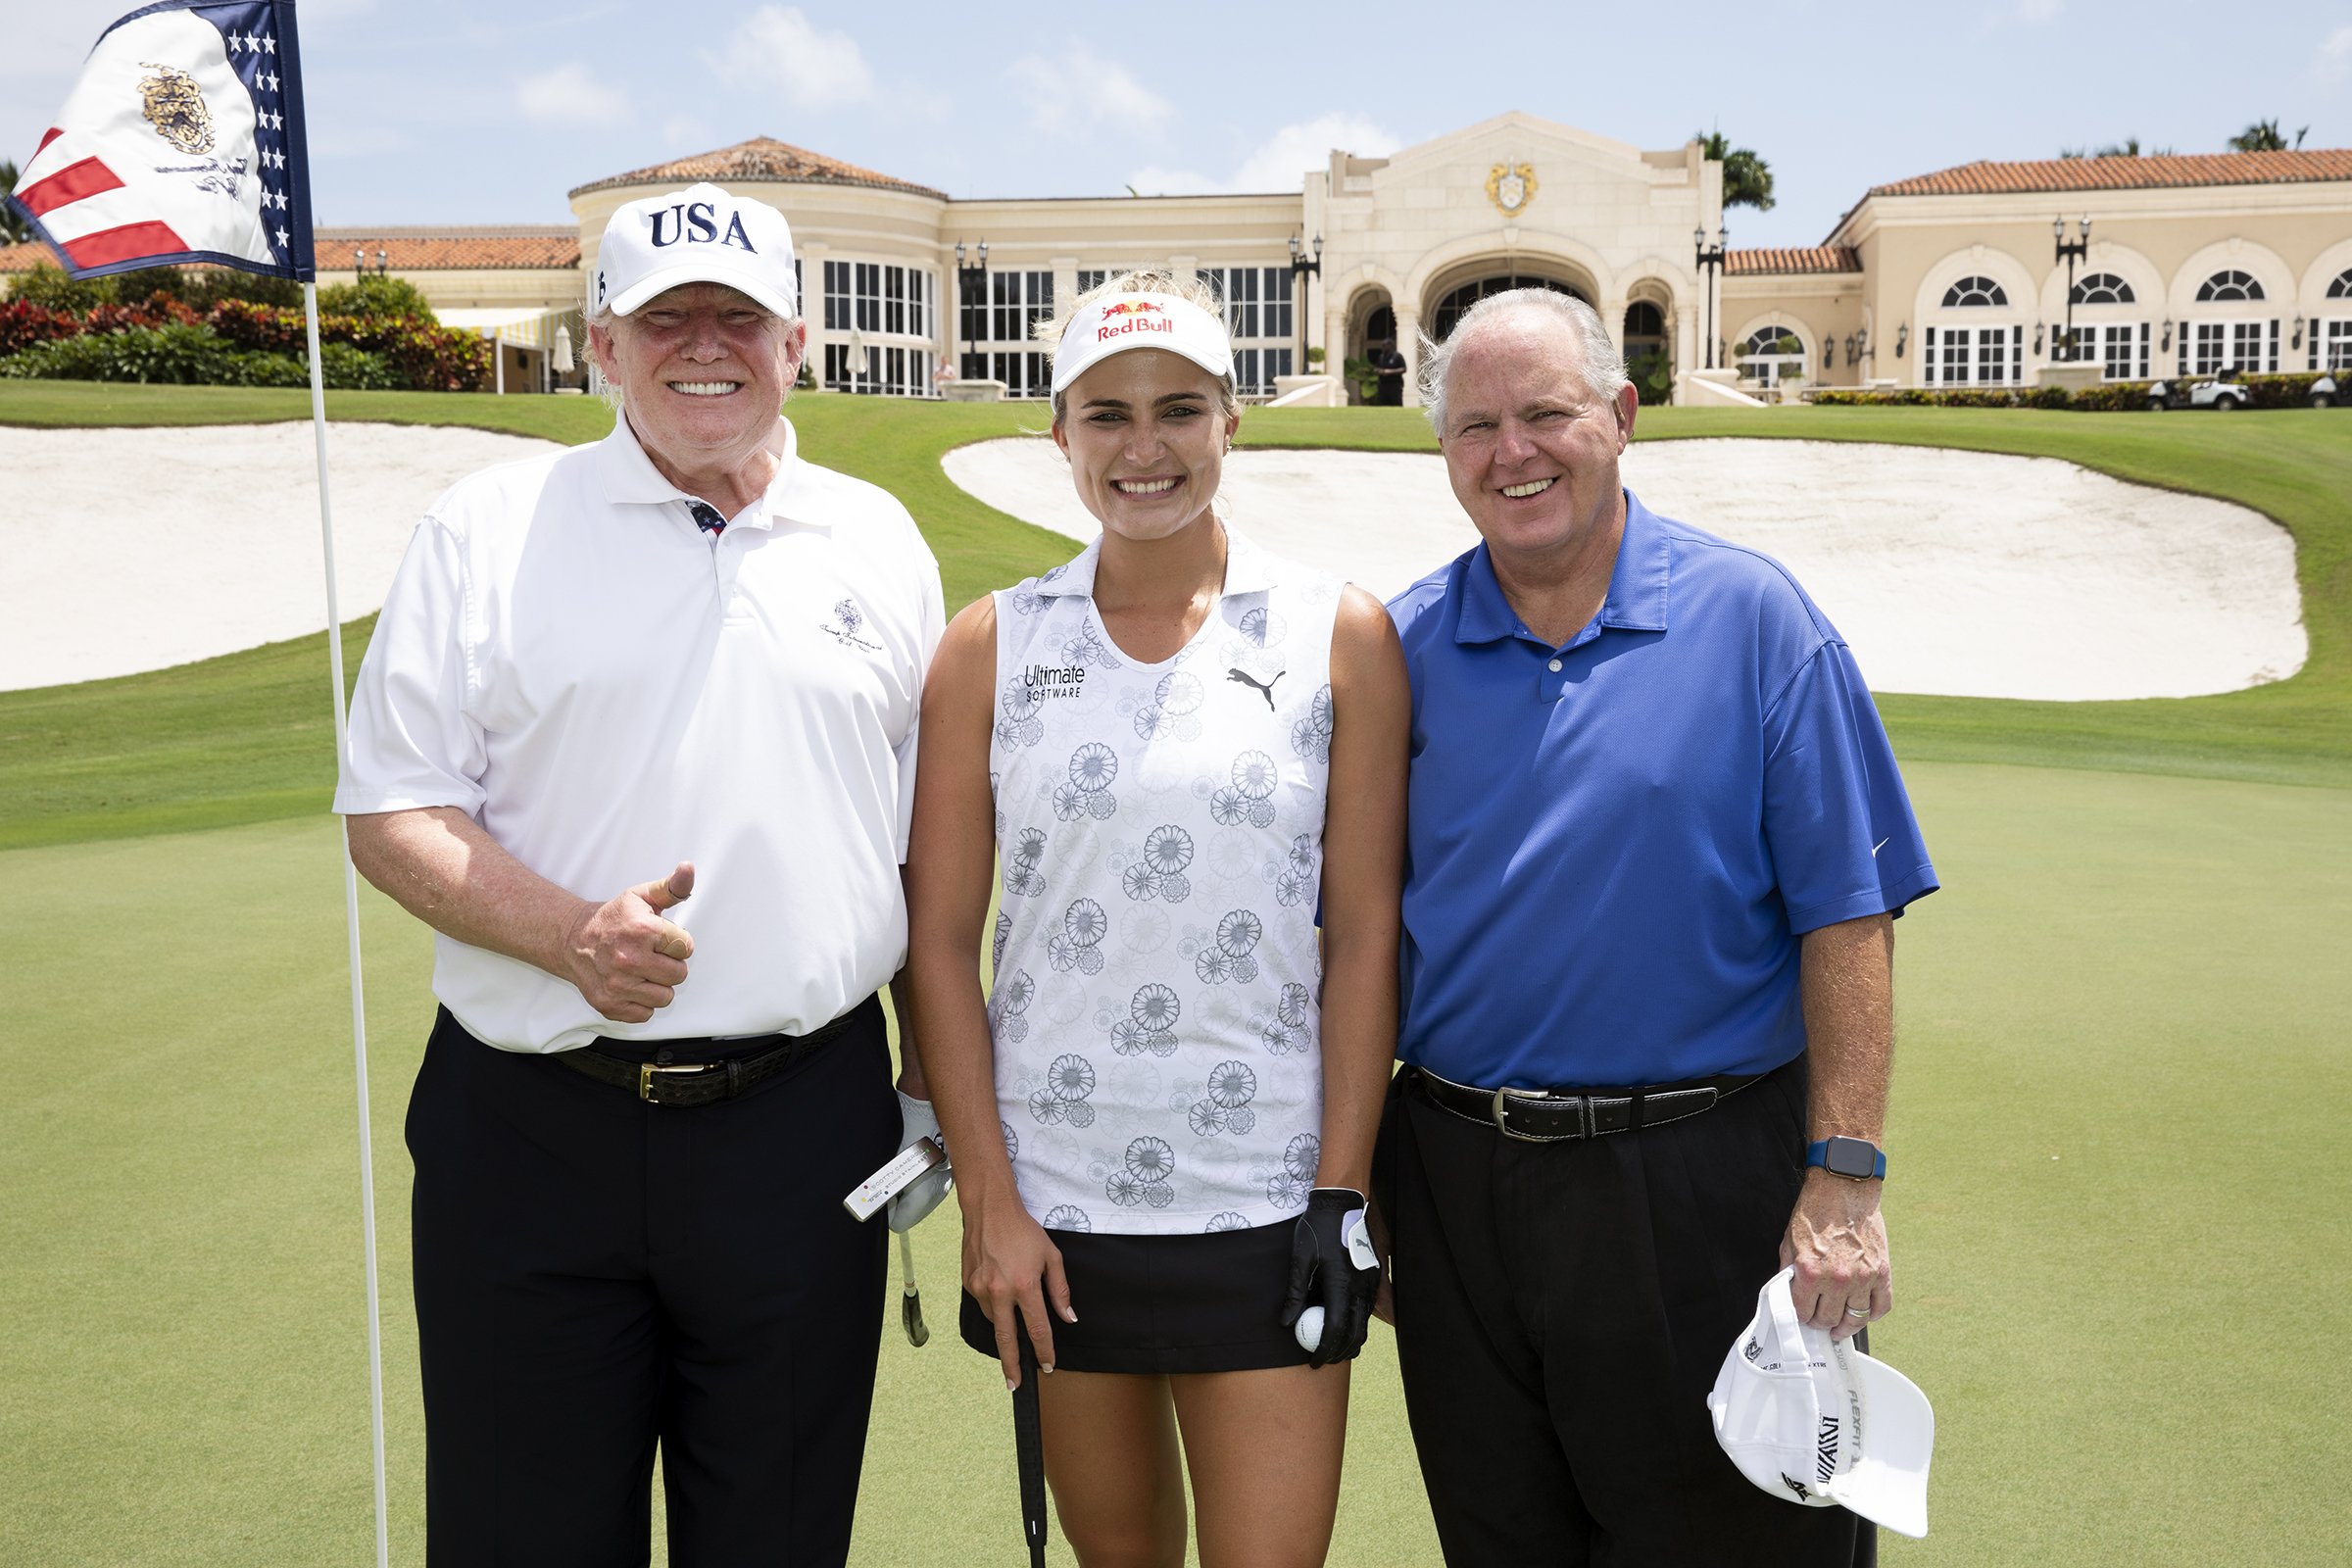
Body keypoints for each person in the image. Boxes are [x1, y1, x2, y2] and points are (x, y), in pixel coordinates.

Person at [333, 181, 946, 1566]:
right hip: (534, 1129)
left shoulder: (879, 542)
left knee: (777, 1540)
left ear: (798, 341)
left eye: (739, 314)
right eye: (665, 317)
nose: (704, 344)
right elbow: (392, 810)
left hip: (805, 1132)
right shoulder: (483, 531)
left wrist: (929, 1087)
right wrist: (566, 936)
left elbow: (922, 859)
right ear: (602, 346)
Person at [1376, 287, 1937, 1565]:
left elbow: (1848, 913)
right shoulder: (1400, 645)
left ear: (1623, 417)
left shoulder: (1754, 620)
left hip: (1699, 1184)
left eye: (1547, 414)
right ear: (1444, 453)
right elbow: (1356, 941)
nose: (1512, 452)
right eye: (1475, 427)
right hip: (1460, 1184)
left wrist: (1845, 1178)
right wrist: (1363, 1186)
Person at [903, 270, 1409, 1568]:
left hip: (1268, 1201)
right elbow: (941, 949)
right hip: (1057, 1214)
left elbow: (1359, 937)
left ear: (1232, 422)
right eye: (1107, 415)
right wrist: (992, 1207)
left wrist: (1339, 1196)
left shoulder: (1335, 632)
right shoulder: (993, 645)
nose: (1146, 448)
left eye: (1179, 410)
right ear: (1058, 433)